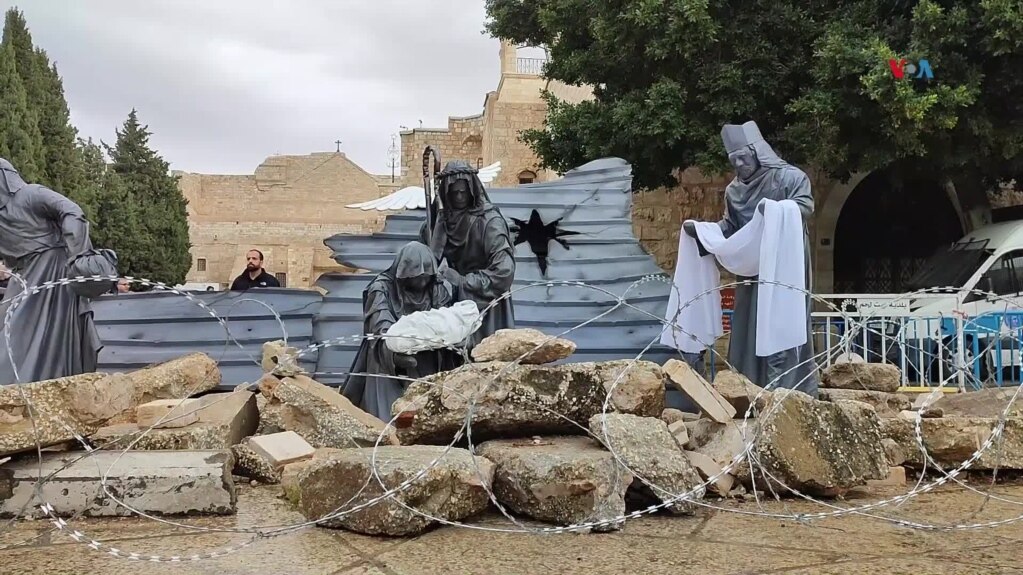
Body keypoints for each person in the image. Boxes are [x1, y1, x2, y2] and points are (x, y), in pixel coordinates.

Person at [682, 121, 819, 395]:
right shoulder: (734, 191)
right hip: (752, 265)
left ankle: (787, 386)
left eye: (743, 157)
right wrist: (702, 232)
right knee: (749, 321)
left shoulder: (791, 178)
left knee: (782, 318)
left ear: (758, 152)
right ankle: (749, 386)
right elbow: (730, 227)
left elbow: (805, 206)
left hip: (784, 262)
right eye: (734, 160)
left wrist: (777, 210)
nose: (739, 164)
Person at [0, 158, 104, 384]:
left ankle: (31, 384)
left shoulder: (30, 194)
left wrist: (78, 254)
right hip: (24, 273)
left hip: (54, 267)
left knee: (34, 327)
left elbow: (71, 210)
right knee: (7, 323)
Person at [341, 242, 461, 421]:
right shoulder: (381, 289)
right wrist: (393, 351)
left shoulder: (435, 288)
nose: (422, 282)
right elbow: (379, 324)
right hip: (387, 355)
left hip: (426, 356)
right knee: (381, 363)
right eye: (416, 277)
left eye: (426, 277)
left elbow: (445, 319)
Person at [419, 160, 515, 349]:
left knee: (483, 354)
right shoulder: (439, 221)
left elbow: (504, 272)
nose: (459, 197)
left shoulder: (490, 222)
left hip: (486, 301)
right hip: (453, 303)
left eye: (463, 192)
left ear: (472, 190)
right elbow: (425, 258)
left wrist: (462, 281)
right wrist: (436, 231)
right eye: (454, 193)